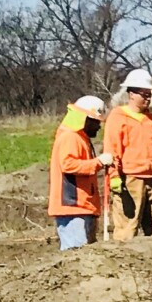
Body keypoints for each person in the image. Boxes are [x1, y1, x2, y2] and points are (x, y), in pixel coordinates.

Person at [106, 68, 152, 239]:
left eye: (149, 94)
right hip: (131, 179)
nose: (148, 98)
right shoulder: (118, 117)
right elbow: (112, 149)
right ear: (131, 94)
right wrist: (114, 176)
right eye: (144, 94)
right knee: (128, 224)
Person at [48, 95, 109, 249]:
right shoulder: (71, 137)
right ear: (86, 119)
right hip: (73, 207)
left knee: (85, 255)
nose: (98, 127)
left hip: (82, 207)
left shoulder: (80, 138)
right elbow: (68, 165)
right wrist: (99, 162)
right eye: (96, 122)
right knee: (76, 255)